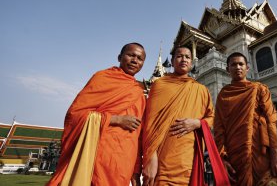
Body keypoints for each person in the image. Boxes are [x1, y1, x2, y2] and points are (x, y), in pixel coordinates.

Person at [47, 43, 146, 186]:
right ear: (119, 57)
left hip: (123, 162)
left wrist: (136, 171)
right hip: (95, 156)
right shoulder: (102, 78)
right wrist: (116, 119)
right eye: (131, 55)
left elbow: (138, 134)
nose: (135, 60)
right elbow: (74, 115)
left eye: (140, 58)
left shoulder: (138, 93)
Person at [214, 52, 277, 186]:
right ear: (227, 69)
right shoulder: (223, 95)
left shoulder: (259, 89)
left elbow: (271, 121)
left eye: (241, 64)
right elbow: (219, 128)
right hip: (234, 154)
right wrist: (221, 158)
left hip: (259, 152)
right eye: (233, 65)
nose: (237, 67)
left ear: (247, 68)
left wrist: (275, 154)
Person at [142, 46, 214, 186]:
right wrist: (150, 156)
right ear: (173, 61)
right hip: (163, 156)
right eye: (179, 56)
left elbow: (211, 118)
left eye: (187, 57)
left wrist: (197, 123)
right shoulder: (159, 85)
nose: (184, 59)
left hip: (189, 157)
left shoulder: (201, 90)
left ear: (191, 63)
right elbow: (150, 122)